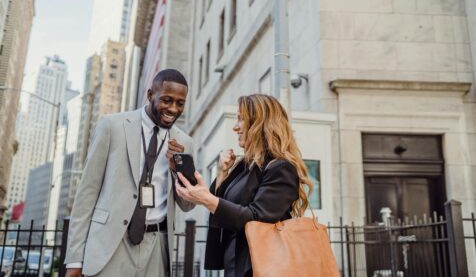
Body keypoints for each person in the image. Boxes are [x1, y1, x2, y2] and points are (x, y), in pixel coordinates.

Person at [65, 69, 195, 277]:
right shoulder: (111, 126)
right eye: (167, 100)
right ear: (151, 95)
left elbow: (188, 204)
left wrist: (177, 168)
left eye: (180, 103)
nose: (173, 109)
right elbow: (87, 194)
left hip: (156, 247)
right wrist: (75, 257)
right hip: (111, 245)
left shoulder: (184, 143)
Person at [176, 94, 313, 277]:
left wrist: (207, 200)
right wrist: (222, 173)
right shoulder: (246, 165)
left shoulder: (281, 168)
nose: (235, 127)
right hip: (235, 265)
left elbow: (256, 217)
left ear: (260, 123)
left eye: (241, 119)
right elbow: (223, 205)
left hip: (262, 268)